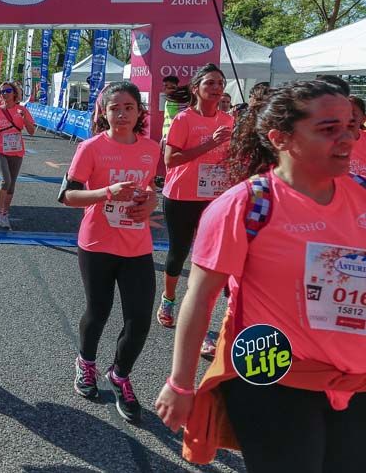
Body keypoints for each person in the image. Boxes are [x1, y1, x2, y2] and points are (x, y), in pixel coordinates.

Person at [155, 80, 366, 472]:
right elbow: (199, 299)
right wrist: (181, 384)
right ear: (280, 138)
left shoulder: (362, 196)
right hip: (274, 381)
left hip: (357, 385)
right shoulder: (247, 204)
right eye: (328, 129)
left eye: (351, 126)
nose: (348, 139)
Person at [60, 82, 160, 422]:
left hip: (137, 245)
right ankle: (86, 363)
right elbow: (68, 197)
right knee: (98, 311)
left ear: (139, 113)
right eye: (114, 107)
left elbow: (149, 189)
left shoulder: (151, 148)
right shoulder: (90, 147)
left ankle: (119, 374)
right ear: (103, 113)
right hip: (97, 244)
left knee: (140, 320)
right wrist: (106, 192)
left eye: (128, 107)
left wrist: (151, 203)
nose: (121, 113)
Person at [157, 64, 234, 330]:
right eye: (210, 83)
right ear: (196, 88)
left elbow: (230, 156)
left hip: (215, 197)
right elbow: (171, 159)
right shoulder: (183, 119)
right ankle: (168, 299)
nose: (216, 89)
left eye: (220, 84)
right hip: (181, 195)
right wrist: (209, 144)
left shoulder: (228, 120)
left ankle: (201, 306)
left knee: (211, 254)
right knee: (179, 252)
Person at [0, 81, 36, 230]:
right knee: (5, 180)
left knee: (11, 185)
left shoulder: (22, 110)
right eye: (1, 92)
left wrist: (24, 118)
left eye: (7, 91)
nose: (4, 94)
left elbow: (32, 131)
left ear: (14, 93)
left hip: (16, 150)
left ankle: (5, 214)